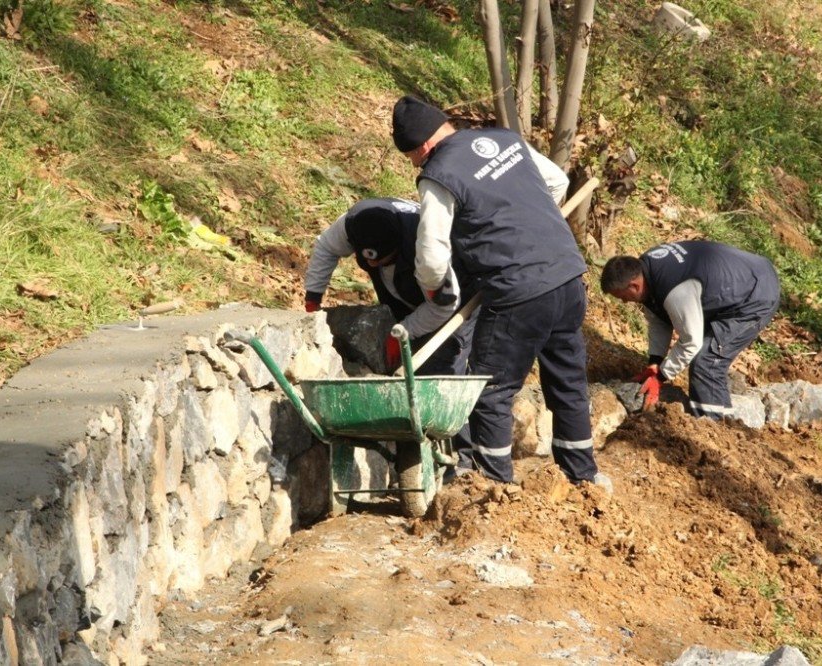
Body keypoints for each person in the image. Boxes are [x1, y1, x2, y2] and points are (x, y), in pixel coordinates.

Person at [390, 94, 608, 492]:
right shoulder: (504, 140)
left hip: (517, 290)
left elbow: (432, 256)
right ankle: (584, 478)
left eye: (411, 157)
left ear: (420, 146)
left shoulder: (438, 174)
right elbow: (557, 182)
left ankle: (493, 490)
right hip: (567, 276)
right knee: (568, 384)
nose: (415, 165)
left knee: (491, 390)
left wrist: (434, 290)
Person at [600, 240, 780, 420]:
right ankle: (719, 420)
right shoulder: (646, 270)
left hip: (755, 294)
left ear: (634, 286)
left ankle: (712, 428)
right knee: (706, 357)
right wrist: (655, 362)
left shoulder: (676, 289)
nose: (623, 302)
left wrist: (660, 378)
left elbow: (691, 342)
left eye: (622, 297)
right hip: (739, 280)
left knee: (707, 361)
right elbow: (659, 319)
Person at [303, 197, 470, 377]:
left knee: (438, 369)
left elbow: (442, 306)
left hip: (459, 303)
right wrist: (313, 298)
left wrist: (405, 331)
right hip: (405, 290)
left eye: (381, 260)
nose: (372, 265)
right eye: (367, 260)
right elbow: (326, 247)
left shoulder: (428, 249)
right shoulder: (356, 222)